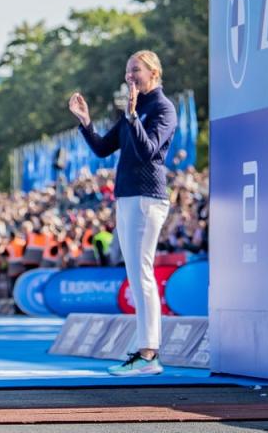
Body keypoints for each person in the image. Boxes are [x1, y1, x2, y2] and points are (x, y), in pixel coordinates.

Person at [68, 50, 176, 377]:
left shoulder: (162, 108)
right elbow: (103, 148)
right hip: (127, 196)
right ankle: (146, 351)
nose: (129, 77)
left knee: (142, 273)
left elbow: (148, 151)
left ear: (153, 73)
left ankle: (148, 353)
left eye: (136, 71)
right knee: (135, 274)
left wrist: (131, 117)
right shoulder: (135, 108)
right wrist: (86, 122)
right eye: (127, 71)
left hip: (147, 196)